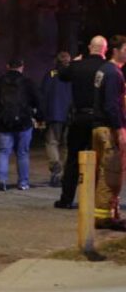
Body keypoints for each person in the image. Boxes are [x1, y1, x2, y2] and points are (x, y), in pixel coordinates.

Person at [54, 35, 108, 209]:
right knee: (100, 161)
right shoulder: (107, 68)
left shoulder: (77, 66)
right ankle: (97, 200)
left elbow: (61, 74)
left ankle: (66, 198)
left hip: (79, 118)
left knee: (73, 160)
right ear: (104, 50)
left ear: (90, 47)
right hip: (99, 120)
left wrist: (71, 62)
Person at [91, 35, 126, 230]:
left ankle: (108, 213)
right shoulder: (113, 73)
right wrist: (120, 129)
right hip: (108, 129)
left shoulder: (104, 70)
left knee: (104, 172)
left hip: (99, 127)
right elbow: (112, 104)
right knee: (111, 173)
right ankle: (105, 217)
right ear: (116, 50)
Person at [0, 57, 41, 191]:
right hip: (24, 122)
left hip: (3, 122)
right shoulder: (28, 82)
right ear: (22, 67)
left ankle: (1, 181)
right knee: (22, 153)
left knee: (2, 151)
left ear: (7, 66)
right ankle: (23, 182)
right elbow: (37, 100)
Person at [40, 51, 72, 187]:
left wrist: (42, 115)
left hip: (54, 114)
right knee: (67, 144)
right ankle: (64, 173)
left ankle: (56, 169)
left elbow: (43, 95)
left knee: (52, 142)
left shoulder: (50, 75)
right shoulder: (73, 75)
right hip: (70, 114)